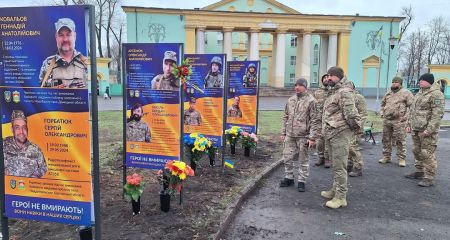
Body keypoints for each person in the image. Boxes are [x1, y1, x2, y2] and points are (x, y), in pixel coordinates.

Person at [320, 67, 361, 209]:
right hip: (332, 133)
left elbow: (351, 114)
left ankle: (341, 197)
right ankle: (335, 190)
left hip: (340, 133)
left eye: (331, 76)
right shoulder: (334, 91)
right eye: (327, 75)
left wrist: (353, 130)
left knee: (340, 166)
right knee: (335, 165)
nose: (328, 78)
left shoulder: (344, 92)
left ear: (338, 76)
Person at [279, 78, 320, 192]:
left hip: (304, 136)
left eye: (300, 85)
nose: (297, 87)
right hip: (290, 135)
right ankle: (289, 177)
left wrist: (312, 137)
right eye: (296, 85)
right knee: (287, 157)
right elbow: (285, 116)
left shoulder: (311, 101)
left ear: (305, 87)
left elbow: (315, 120)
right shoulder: (291, 100)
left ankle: (302, 181)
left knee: (303, 159)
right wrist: (283, 132)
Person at [405, 73, 445, 187]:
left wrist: (430, 129)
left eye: (422, 80)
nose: (420, 82)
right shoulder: (419, 92)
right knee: (416, 150)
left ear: (429, 82)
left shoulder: (436, 94)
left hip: (427, 130)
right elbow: (413, 110)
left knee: (427, 153)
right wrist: (409, 124)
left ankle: (429, 177)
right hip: (416, 128)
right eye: (420, 80)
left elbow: (437, 114)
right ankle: (419, 171)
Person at [39, 18, 87, 88]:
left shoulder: (86, 63)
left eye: (68, 35)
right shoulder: (47, 63)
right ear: (56, 37)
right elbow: (42, 92)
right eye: (61, 35)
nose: (65, 39)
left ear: (75, 36)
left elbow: (92, 91)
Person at [378, 76, 414, 167]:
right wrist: (382, 112)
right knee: (386, 139)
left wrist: (406, 117)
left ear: (400, 84)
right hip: (387, 120)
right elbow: (383, 104)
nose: (394, 83)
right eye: (393, 82)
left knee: (400, 140)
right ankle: (386, 156)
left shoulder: (406, 93)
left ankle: (401, 158)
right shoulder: (388, 93)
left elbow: (412, 107)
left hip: (399, 121)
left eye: (396, 82)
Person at [3, 110, 47, 178]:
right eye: (17, 127)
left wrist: (36, 175)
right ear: (12, 129)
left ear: (27, 128)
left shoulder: (36, 149)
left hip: (28, 187)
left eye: (24, 127)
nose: (22, 131)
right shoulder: (4, 144)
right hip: (8, 187)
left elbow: (44, 167)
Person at [347, 81, 367, 177]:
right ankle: (350, 165)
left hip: (355, 127)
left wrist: (359, 127)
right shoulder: (344, 97)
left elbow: (363, 114)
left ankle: (358, 167)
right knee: (347, 147)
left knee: (352, 147)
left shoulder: (359, 97)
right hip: (345, 127)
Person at [313, 74, 331, 168]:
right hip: (319, 120)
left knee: (327, 140)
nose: (326, 79)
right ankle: (321, 157)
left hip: (329, 120)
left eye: (327, 78)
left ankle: (328, 159)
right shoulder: (317, 92)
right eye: (324, 78)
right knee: (319, 140)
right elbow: (313, 105)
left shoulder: (333, 91)